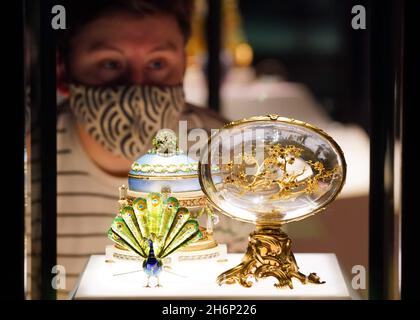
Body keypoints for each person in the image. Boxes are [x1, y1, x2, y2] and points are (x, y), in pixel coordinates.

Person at [45, 0, 233, 299]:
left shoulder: (231, 154)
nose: (137, 85)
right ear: (63, 71)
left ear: (183, 66)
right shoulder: (33, 156)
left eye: (157, 63)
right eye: (110, 63)